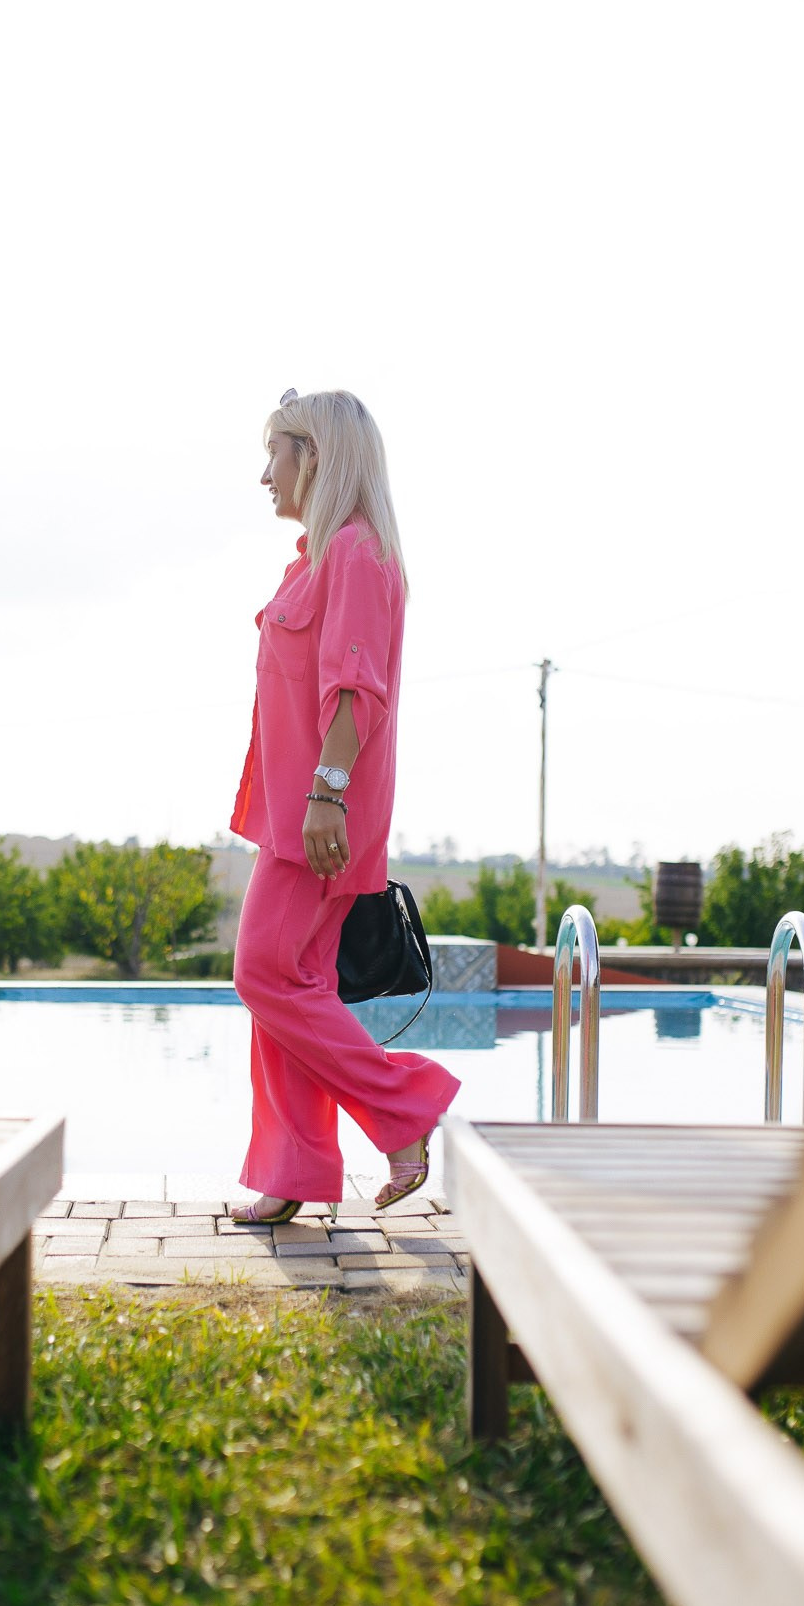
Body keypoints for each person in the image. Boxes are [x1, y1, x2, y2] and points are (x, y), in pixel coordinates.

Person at [229, 389, 461, 1225]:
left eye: (276, 454)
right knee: (293, 985)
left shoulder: (357, 554)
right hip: (294, 814)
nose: (265, 475)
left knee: (262, 973)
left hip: (319, 817)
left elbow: (356, 691)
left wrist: (326, 795)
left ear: (315, 457)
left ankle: (406, 1106)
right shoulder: (317, 560)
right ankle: (292, 1170)